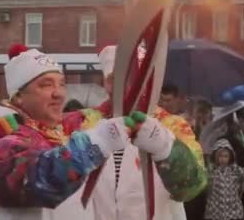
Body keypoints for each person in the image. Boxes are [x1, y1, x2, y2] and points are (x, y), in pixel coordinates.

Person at [0, 46, 130, 220]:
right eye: (46, 85)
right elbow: (36, 179)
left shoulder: (50, 132)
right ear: (18, 96)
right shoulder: (2, 137)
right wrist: (95, 145)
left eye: (62, 84)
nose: (59, 93)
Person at [89, 45, 207, 220]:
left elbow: (193, 186)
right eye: (114, 78)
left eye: (132, 77)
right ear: (106, 82)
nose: (124, 85)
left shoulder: (172, 125)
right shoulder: (86, 123)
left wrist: (165, 149)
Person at [204, 138, 244, 220]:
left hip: (233, 213)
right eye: (220, 156)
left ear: (230, 157)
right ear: (215, 156)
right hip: (214, 213)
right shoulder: (211, 170)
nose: (223, 159)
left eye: (226, 156)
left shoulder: (235, 170)